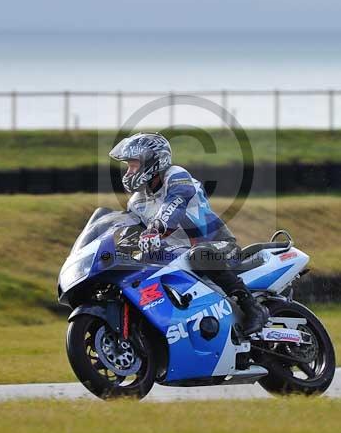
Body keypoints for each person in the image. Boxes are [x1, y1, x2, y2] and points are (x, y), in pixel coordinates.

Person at [109, 132, 269, 335]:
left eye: (133, 165)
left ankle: (252, 308)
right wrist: (119, 246)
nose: (129, 172)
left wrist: (155, 229)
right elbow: (131, 231)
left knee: (200, 255)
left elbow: (174, 205)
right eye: (128, 166)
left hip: (216, 243)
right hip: (176, 253)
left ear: (152, 162)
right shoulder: (137, 201)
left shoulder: (176, 176)